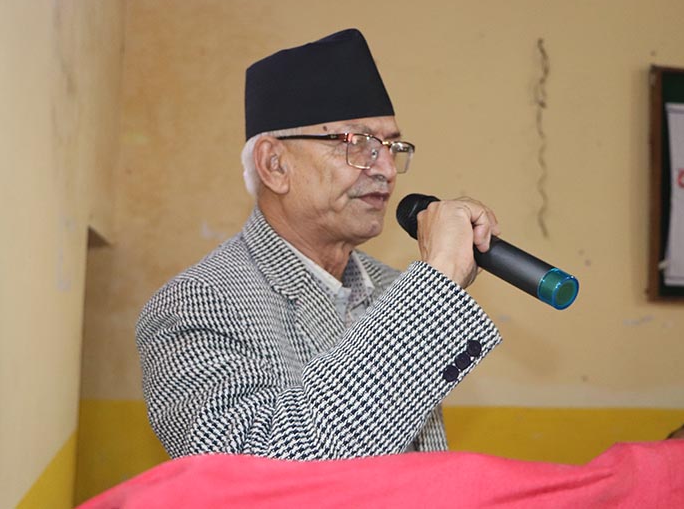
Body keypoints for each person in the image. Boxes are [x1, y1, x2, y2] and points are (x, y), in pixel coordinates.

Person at [136, 28, 502, 460]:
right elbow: (267, 473)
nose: (387, 168)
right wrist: (438, 278)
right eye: (359, 143)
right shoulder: (194, 307)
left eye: (391, 146)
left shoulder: (393, 288)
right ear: (275, 165)